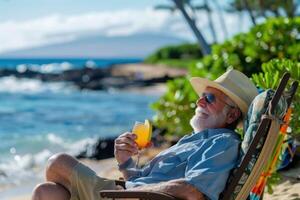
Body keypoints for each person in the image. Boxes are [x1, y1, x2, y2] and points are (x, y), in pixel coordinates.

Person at [32, 69, 258, 200]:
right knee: (45, 192)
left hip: (131, 197)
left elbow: (193, 190)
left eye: (209, 99)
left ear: (231, 116)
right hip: (132, 194)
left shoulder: (222, 143)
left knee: (57, 163)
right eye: (201, 96)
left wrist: (135, 190)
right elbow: (146, 181)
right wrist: (125, 161)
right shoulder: (194, 141)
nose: (199, 101)